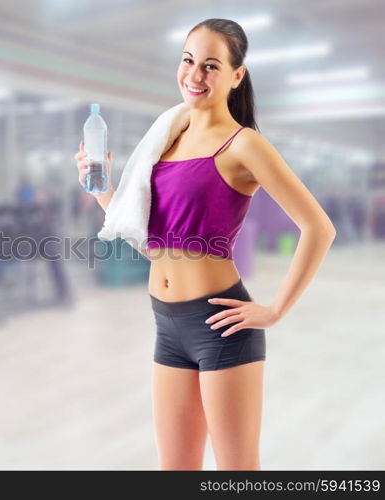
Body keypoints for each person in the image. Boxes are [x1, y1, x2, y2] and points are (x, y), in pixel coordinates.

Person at [74, 18, 337, 471]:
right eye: (188, 60)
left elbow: (319, 228)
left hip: (221, 324)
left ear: (236, 76)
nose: (195, 75)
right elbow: (157, 246)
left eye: (211, 65)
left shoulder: (243, 145)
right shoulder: (169, 137)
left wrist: (274, 310)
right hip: (166, 323)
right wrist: (102, 194)